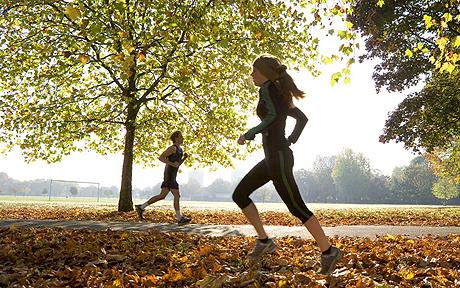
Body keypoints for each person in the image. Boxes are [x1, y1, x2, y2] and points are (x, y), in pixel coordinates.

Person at [233, 54, 343, 275]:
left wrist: (250, 133)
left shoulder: (268, 90)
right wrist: (291, 139)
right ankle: (264, 241)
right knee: (240, 194)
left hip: (279, 158)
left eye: (254, 70)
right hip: (275, 158)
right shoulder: (279, 92)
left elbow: (273, 117)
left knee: (296, 207)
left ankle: (329, 251)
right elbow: (301, 119)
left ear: (264, 71)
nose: (252, 74)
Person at [135, 131, 191, 225]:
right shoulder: (172, 148)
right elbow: (161, 157)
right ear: (176, 138)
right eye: (181, 137)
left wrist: (184, 159)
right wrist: (171, 163)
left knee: (162, 196)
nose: (183, 138)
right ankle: (179, 218)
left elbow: (177, 165)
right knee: (177, 195)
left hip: (172, 175)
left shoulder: (180, 150)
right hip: (169, 175)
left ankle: (141, 207)